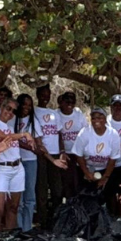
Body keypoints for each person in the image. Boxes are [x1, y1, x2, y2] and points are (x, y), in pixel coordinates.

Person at [0, 97, 33, 231]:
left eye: (13, 111)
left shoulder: (11, 126)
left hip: (17, 168)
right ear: (2, 107)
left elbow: (13, 140)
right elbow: (1, 136)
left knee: (13, 208)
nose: (10, 112)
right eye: (8, 108)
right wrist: (23, 135)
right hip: (1, 168)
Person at [34, 84, 68, 227]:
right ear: (37, 94)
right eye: (42, 94)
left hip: (55, 154)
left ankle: (56, 219)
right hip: (41, 155)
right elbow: (38, 139)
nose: (45, 97)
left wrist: (62, 151)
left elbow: (59, 133)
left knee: (57, 190)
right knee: (41, 190)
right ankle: (42, 221)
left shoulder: (54, 113)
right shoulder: (34, 112)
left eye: (48, 94)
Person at [71, 107, 121, 194]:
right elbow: (78, 155)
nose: (95, 120)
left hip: (105, 169)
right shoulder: (84, 133)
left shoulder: (113, 134)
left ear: (105, 120)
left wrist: (105, 177)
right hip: (87, 168)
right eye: (93, 118)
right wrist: (86, 173)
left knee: (109, 194)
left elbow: (113, 159)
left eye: (99, 118)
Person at [14, 94, 40, 231]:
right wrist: (28, 146)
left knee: (30, 197)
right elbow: (11, 139)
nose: (27, 107)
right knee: (18, 199)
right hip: (16, 161)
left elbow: (39, 143)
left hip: (30, 161)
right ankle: (19, 229)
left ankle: (27, 228)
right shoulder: (13, 120)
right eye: (24, 104)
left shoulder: (34, 121)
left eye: (29, 105)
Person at [57, 91, 87, 199]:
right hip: (64, 154)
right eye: (67, 101)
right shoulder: (56, 114)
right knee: (66, 183)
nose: (70, 104)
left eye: (73, 102)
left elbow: (85, 131)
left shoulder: (78, 114)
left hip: (78, 154)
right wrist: (62, 151)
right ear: (62, 102)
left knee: (78, 181)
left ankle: (77, 205)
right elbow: (58, 134)